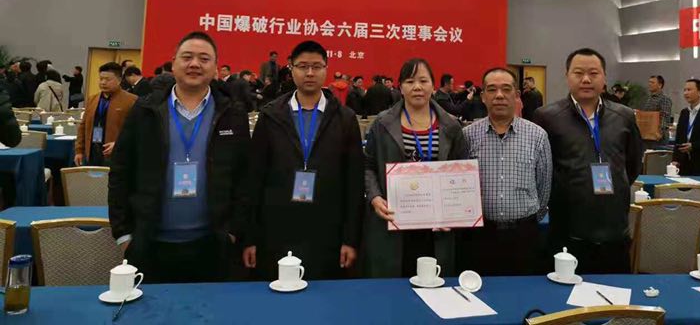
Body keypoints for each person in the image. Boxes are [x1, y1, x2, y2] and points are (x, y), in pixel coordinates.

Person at [109, 31, 250, 283]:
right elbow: (121, 171)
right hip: (150, 244)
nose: (195, 64)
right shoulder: (145, 110)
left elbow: (244, 176)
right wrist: (124, 234)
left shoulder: (232, 113)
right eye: (187, 57)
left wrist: (233, 231)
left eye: (204, 59)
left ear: (216, 68)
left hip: (213, 246)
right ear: (173, 63)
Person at [241, 41, 364, 280]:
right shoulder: (271, 115)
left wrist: (350, 239)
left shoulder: (345, 119)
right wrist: (250, 237)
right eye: (303, 66)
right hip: (276, 229)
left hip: (327, 230)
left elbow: (354, 182)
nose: (309, 73)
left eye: (316, 66)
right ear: (291, 68)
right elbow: (254, 178)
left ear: (326, 69)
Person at [533, 48, 643, 274]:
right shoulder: (547, 117)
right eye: (578, 73)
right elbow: (541, 170)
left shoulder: (624, 115)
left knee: (615, 292)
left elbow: (632, 164)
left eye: (593, 73)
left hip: (614, 229)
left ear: (604, 78)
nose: (586, 79)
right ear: (567, 76)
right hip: (567, 231)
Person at [363, 58, 468, 278]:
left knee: (434, 282)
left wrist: (454, 211)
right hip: (393, 222)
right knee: (394, 286)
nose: (417, 87)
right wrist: (374, 197)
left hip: (436, 227)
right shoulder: (382, 123)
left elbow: (462, 171)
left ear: (433, 86)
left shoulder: (451, 125)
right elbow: (368, 164)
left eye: (423, 81)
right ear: (400, 87)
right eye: (410, 82)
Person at [462, 68, 551, 275]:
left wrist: (530, 219)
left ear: (517, 95)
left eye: (506, 89)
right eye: (492, 90)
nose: (499, 95)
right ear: (483, 96)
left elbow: (544, 186)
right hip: (480, 236)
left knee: (524, 290)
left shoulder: (537, 136)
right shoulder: (467, 136)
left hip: (524, 235)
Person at [75, 62, 137, 167]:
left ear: (119, 80)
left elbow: (136, 129)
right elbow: (83, 126)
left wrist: (119, 144)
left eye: (108, 79)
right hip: (93, 151)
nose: (103, 82)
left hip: (117, 155)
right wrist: (79, 151)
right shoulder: (92, 99)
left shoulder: (131, 100)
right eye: (101, 79)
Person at [642, 75, 673, 145]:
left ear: (660, 85)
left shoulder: (664, 99)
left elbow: (664, 117)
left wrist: (659, 133)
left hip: (658, 137)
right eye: (649, 82)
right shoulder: (649, 99)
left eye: (652, 82)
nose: (649, 84)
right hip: (648, 135)